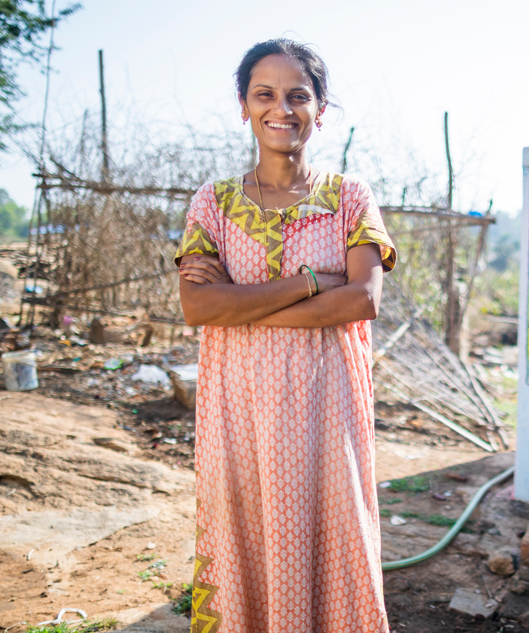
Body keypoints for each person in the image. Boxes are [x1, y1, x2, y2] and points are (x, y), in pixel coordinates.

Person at [174, 38, 396, 633]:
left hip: (328, 412)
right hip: (238, 412)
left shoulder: (351, 197)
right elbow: (198, 306)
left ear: (320, 109)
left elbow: (362, 299)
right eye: (264, 94)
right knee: (242, 537)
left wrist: (237, 307)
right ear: (243, 105)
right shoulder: (213, 203)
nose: (282, 108)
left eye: (299, 96)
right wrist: (308, 282)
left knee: (335, 538)